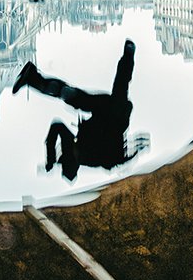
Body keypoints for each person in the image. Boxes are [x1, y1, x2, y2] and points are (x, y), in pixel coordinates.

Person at [12, 39, 149, 181]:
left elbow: (57, 126)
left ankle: (32, 77)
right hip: (115, 118)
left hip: (104, 111)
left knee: (71, 95)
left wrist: (51, 159)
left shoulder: (71, 147)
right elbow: (115, 162)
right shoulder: (89, 158)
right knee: (118, 87)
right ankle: (128, 54)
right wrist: (136, 149)